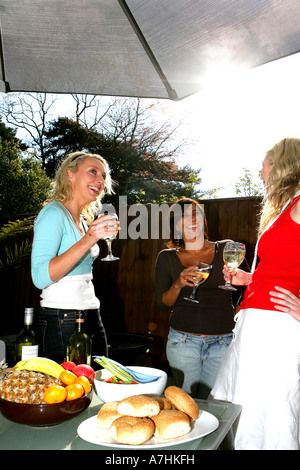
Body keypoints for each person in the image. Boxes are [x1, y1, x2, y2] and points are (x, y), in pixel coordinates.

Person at [210, 137, 300, 450]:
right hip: (257, 323)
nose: (260, 170)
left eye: (264, 162)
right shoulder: (285, 208)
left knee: (269, 413)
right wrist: (252, 278)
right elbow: (285, 266)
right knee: (245, 408)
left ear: (280, 164)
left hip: (277, 329)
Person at [31, 151, 119, 363]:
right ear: (70, 175)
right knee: (70, 392)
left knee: (97, 382)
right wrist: (90, 238)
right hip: (62, 317)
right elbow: (40, 277)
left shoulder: (81, 220)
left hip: (89, 311)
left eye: (103, 176)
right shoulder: (53, 214)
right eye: (92, 172)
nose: (100, 180)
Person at [155, 198, 236, 398]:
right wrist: (178, 284)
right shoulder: (166, 257)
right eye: (183, 216)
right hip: (182, 343)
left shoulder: (228, 249)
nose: (191, 219)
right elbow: (162, 304)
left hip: (223, 343)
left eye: (196, 213)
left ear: (203, 219)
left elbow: (247, 291)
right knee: (187, 403)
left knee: (216, 404)